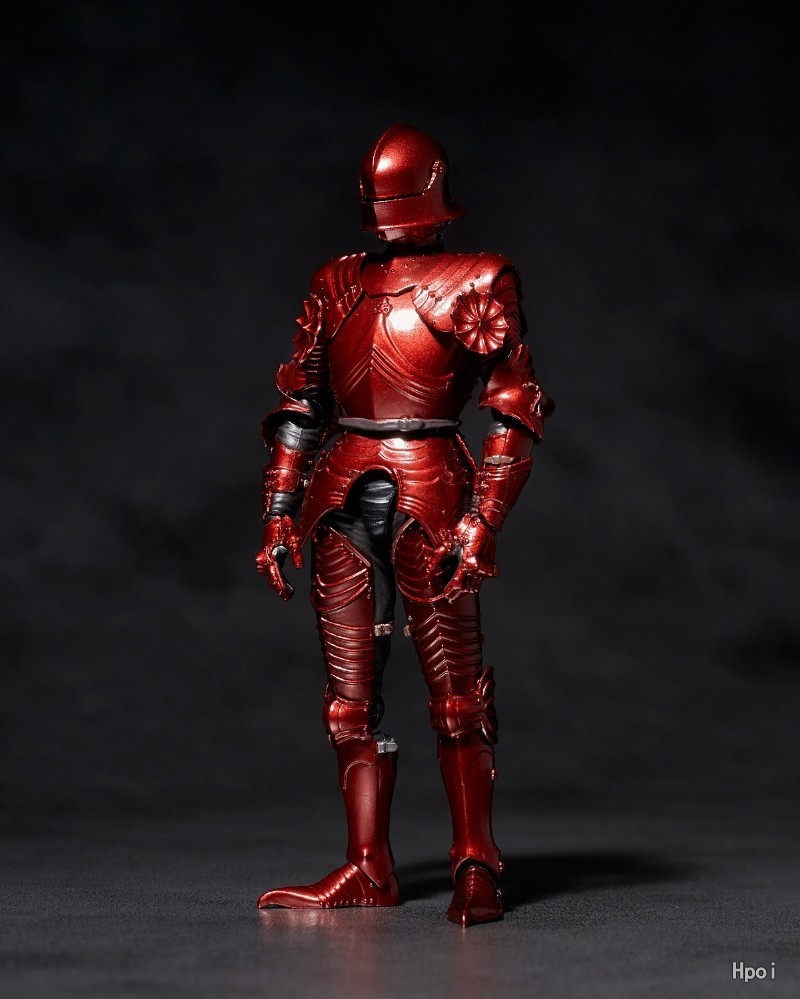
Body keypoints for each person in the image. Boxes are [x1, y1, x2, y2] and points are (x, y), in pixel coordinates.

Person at [254, 122, 553, 926]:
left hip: (435, 489)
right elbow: (303, 402)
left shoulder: (479, 279)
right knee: (348, 703)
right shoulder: (336, 281)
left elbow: (515, 409)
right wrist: (278, 509)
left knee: (457, 699)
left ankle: (475, 860)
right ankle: (367, 864)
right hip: (340, 494)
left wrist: (485, 519)